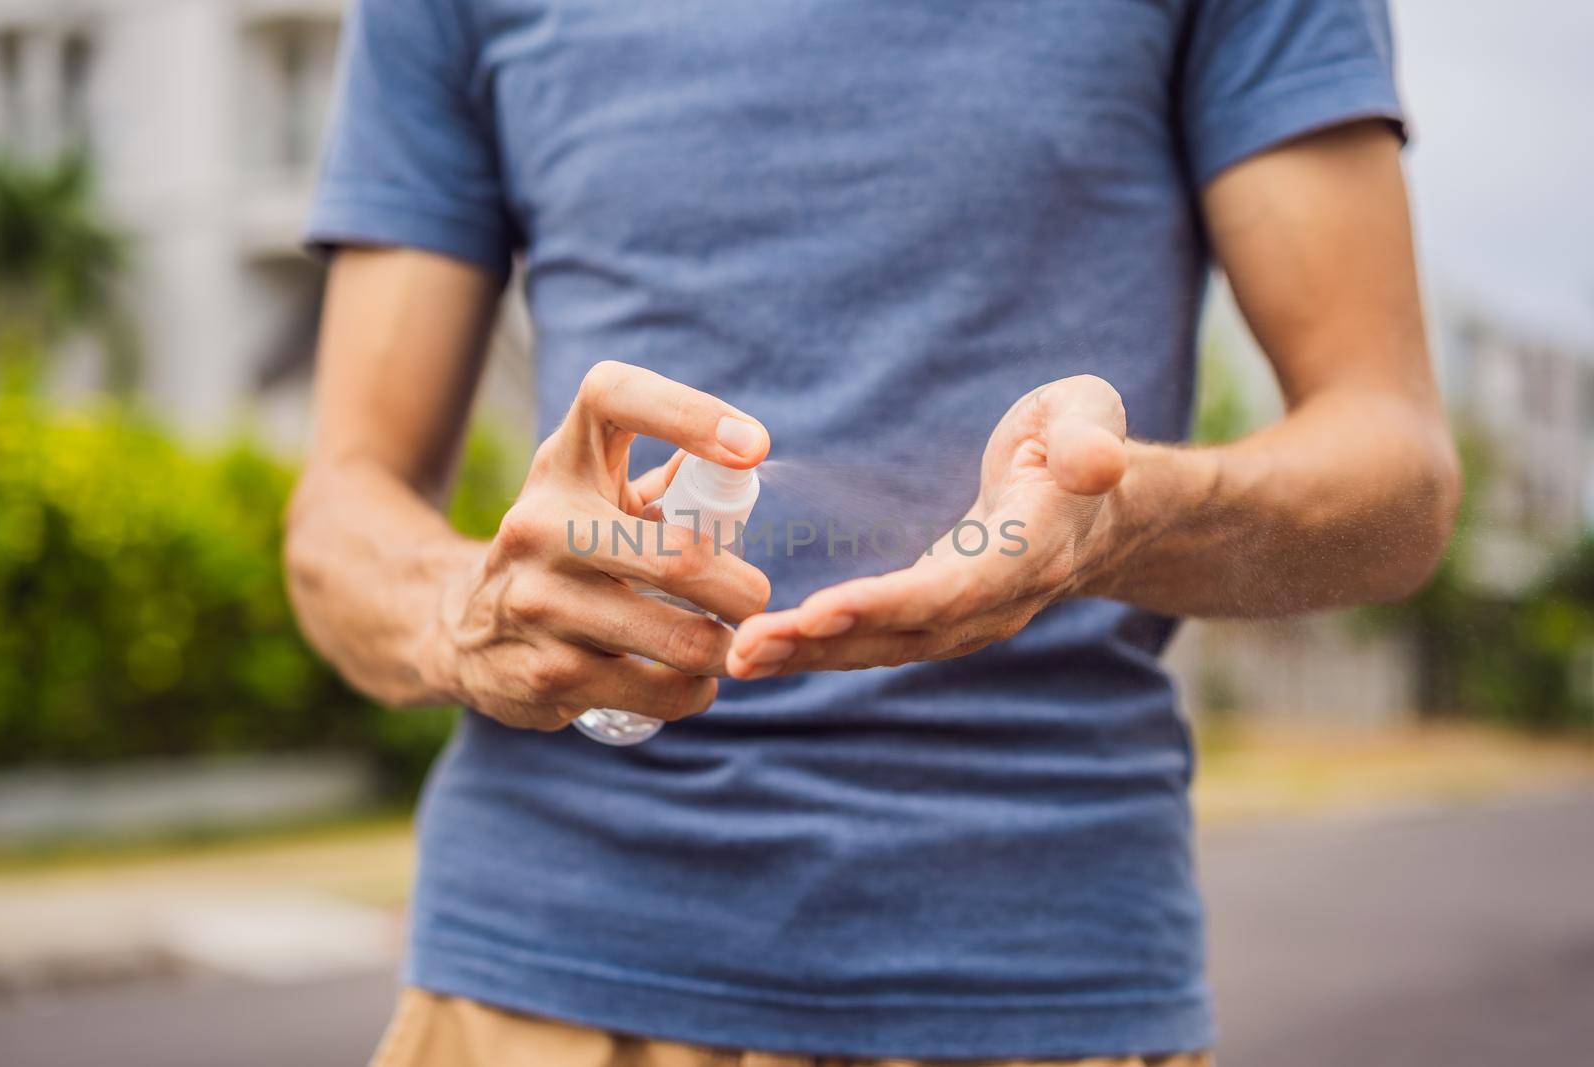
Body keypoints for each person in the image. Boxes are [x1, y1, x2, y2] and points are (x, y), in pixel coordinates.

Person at [286, 1, 1458, 1063]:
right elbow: (341, 509)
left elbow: (1396, 480)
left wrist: (1123, 516)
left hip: (1034, 988)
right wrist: (468, 614)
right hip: (532, 995)